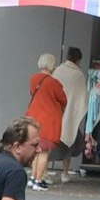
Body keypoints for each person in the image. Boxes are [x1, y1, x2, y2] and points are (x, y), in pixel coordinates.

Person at [24, 53, 68, 190]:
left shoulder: (33, 79)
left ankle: (32, 178)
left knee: (36, 150)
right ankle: (39, 180)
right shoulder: (54, 83)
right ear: (52, 65)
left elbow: (33, 93)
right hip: (48, 121)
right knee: (44, 152)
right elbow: (64, 100)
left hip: (33, 118)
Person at [51, 47, 90, 182]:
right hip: (70, 115)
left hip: (56, 112)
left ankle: (41, 170)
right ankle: (65, 173)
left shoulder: (58, 71)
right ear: (79, 60)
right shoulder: (79, 75)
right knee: (69, 141)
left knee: (49, 143)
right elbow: (82, 97)